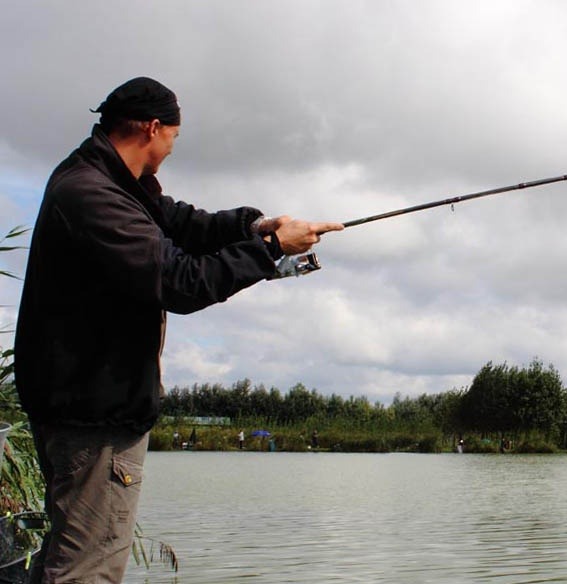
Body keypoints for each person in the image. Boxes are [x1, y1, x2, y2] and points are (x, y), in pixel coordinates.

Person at [14, 76, 345, 583]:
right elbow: (181, 281)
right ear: (152, 128)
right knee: (88, 567)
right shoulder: (93, 195)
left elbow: (180, 222)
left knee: (69, 553)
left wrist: (256, 228)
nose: (171, 147)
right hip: (94, 415)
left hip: (82, 403)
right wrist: (272, 250)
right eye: (173, 136)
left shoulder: (108, 180)